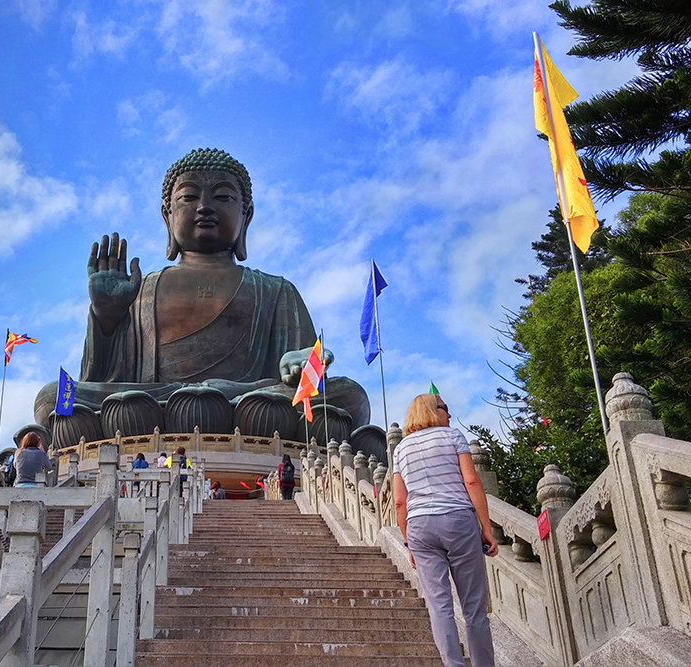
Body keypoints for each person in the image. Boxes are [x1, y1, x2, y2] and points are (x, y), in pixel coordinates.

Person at [33, 148, 370, 431]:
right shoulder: (141, 288)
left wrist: (297, 363)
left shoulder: (275, 290)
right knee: (53, 398)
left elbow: (303, 375)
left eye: (222, 197)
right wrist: (106, 319)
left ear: (245, 216)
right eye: (188, 197)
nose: (204, 206)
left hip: (248, 401)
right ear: (168, 217)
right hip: (153, 402)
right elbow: (105, 377)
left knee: (349, 396)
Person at [393, 394, 498, 667]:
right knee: (474, 607)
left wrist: (408, 544)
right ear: (432, 410)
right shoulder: (452, 436)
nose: (449, 415)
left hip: (419, 527)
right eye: (445, 408)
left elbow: (399, 501)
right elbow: (472, 481)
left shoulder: (400, 449)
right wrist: (486, 527)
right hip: (458, 520)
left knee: (439, 606)